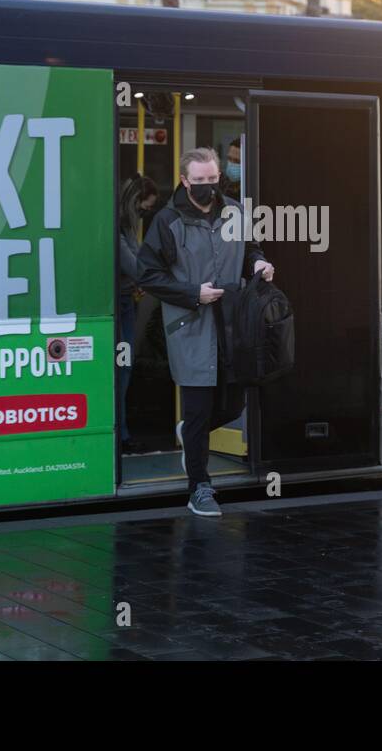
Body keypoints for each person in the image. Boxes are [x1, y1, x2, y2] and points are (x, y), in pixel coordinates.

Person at [137, 148, 272, 516]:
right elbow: (147, 274)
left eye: (213, 180)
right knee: (199, 409)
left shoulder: (235, 212)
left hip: (232, 324)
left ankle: (190, 435)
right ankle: (200, 487)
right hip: (192, 326)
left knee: (232, 405)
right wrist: (192, 294)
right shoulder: (166, 221)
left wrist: (259, 261)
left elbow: (250, 250)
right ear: (184, 181)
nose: (208, 187)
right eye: (200, 181)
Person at [116, 172, 159, 453]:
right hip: (120, 306)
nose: (147, 213)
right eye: (146, 207)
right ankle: (120, 436)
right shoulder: (117, 229)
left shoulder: (127, 228)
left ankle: (123, 432)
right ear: (135, 203)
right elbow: (135, 266)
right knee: (122, 370)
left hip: (127, 302)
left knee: (124, 370)